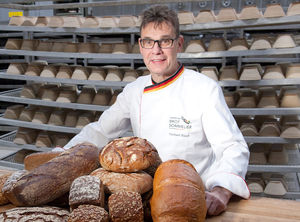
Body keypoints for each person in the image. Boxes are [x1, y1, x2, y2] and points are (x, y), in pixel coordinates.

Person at [62, 5, 250, 216]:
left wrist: (221, 191)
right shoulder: (135, 90)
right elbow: (100, 131)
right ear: (141, 46)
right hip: (150, 200)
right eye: (149, 42)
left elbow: (233, 147)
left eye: (165, 41)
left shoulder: (204, 89)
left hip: (193, 201)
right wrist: (62, 155)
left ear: (179, 44)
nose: (156, 50)